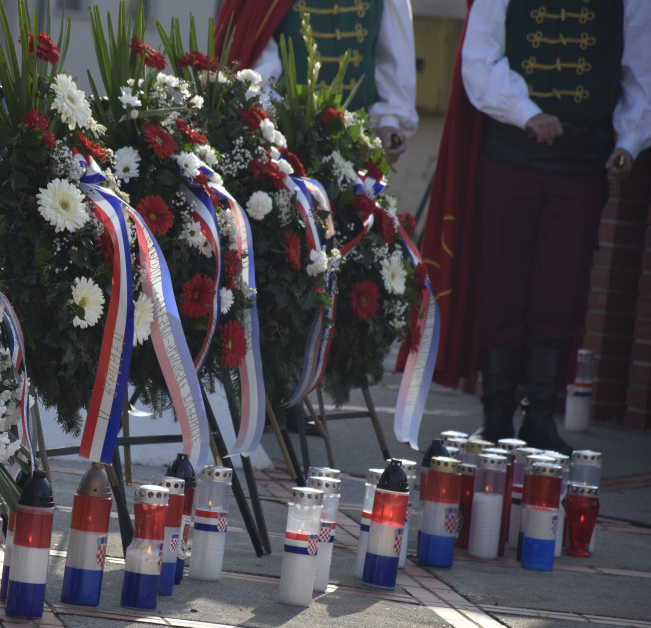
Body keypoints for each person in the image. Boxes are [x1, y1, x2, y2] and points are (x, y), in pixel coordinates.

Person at [425, 0, 651, 452]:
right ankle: (496, 415)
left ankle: (540, 417)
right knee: (502, 282)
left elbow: (639, 72)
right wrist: (526, 111)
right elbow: (479, 59)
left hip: (581, 161)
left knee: (560, 290)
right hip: (514, 152)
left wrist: (630, 139)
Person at [214, 0, 417, 163]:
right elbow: (254, 73)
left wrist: (389, 121)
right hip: (282, 152)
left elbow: (393, 59)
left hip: (358, 147)